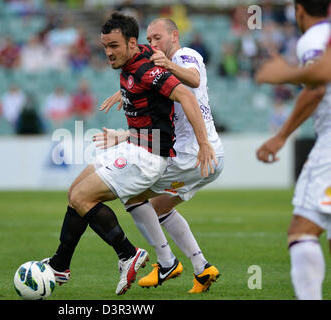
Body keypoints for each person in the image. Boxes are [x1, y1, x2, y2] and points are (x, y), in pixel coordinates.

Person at [42, 12, 216, 296]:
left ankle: (128, 255)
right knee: (74, 191)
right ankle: (61, 264)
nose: (108, 53)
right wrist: (122, 94)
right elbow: (139, 74)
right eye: (105, 46)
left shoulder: (149, 71)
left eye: (114, 46)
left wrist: (204, 143)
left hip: (147, 156)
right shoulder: (142, 55)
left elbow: (185, 95)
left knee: (82, 198)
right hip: (133, 146)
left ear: (131, 44)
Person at [96, 18, 224, 293]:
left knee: (131, 192)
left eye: (158, 38)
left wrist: (165, 64)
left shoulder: (185, 55)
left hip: (196, 153)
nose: (152, 44)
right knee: (158, 208)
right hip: (197, 154)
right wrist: (127, 95)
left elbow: (194, 78)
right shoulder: (159, 73)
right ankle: (202, 268)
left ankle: (167, 262)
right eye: (149, 39)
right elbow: (159, 123)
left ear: (174, 36)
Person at [255, 0, 330, 300]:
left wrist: (280, 136)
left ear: (299, 10)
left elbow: (318, 86)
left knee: (301, 231)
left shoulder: (315, 38)